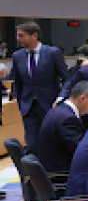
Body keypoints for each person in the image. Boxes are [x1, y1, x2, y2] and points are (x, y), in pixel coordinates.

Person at [9, 22, 69, 153]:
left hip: (50, 104)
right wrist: (20, 103)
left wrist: (61, 97)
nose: (17, 39)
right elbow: (18, 82)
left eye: (21, 35)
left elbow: (67, 79)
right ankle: (34, 172)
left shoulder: (52, 53)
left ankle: (52, 171)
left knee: (52, 142)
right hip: (28, 106)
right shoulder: (17, 56)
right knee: (32, 145)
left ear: (34, 35)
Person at [36, 81, 88, 175]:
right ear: (83, 98)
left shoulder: (59, 109)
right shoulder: (68, 119)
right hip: (60, 171)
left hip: (51, 165)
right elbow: (81, 150)